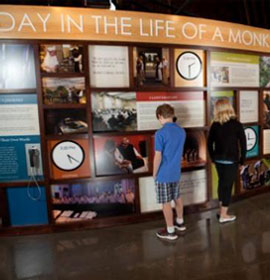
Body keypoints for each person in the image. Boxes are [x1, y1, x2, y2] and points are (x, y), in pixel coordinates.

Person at [207, 98, 246, 223]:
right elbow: (243, 145)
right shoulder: (237, 124)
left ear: (218, 110)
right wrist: (242, 161)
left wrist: (213, 158)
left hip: (218, 160)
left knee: (222, 184)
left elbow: (209, 144)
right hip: (231, 161)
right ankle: (224, 215)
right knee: (227, 187)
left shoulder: (215, 125)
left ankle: (221, 211)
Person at [154, 104, 186, 241]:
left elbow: (158, 156)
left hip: (164, 173)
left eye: (158, 118)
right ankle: (180, 222)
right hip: (176, 172)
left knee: (166, 203)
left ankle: (170, 231)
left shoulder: (160, 133)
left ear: (160, 116)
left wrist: (154, 173)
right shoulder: (181, 131)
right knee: (177, 198)